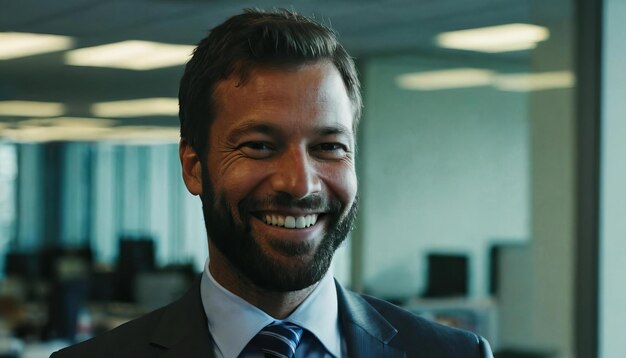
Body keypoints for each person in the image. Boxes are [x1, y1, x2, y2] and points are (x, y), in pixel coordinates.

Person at [52, 9, 493, 358]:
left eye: (329, 147)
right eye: (260, 146)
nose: (300, 184)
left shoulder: (455, 353)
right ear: (193, 166)